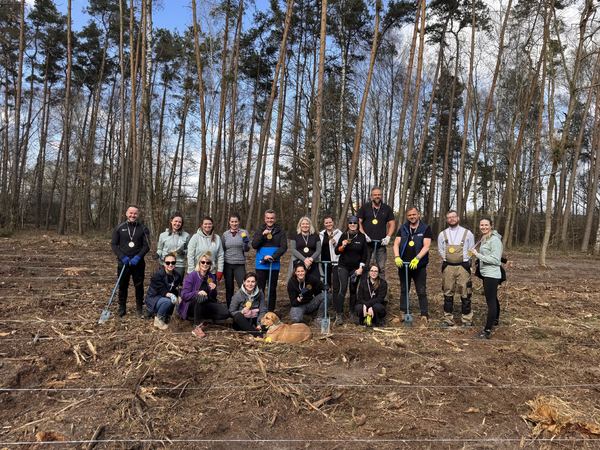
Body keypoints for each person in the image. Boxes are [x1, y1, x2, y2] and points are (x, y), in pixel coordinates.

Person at [393, 207, 432, 326]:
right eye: (410, 215)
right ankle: (403, 312)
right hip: (403, 265)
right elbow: (396, 244)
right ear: (407, 216)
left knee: (421, 290)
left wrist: (417, 258)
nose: (412, 217)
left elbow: (426, 246)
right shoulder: (403, 228)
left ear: (418, 215)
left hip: (418, 266)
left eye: (414, 214)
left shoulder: (425, 228)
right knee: (404, 289)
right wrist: (397, 257)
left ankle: (424, 314)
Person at [111, 205, 151, 317]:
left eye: (135, 213)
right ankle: (122, 307)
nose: (133, 215)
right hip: (123, 262)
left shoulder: (143, 228)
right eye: (131, 213)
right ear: (126, 213)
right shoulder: (119, 228)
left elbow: (147, 246)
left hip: (138, 263)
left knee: (139, 285)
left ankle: (139, 307)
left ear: (138, 215)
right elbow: (114, 245)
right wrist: (122, 257)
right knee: (123, 285)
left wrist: (138, 257)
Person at [437, 210, 475, 327]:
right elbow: (440, 249)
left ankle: (467, 319)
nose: (452, 219)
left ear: (458, 218)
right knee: (447, 292)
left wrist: (465, 260)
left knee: (466, 292)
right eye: (449, 217)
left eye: (453, 217)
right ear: (446, 220)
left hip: (463, 267)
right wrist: (447, 258)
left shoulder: (468, 233)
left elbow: (471, 249)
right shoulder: (442, 234)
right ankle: (448, 319)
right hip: (448, 267)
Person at [180, 252, 230, 338]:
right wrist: (197, 292)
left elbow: (213, 297)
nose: (205, 264)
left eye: (208, 263)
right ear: (199, 263)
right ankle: (197, 326)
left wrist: (213, 290)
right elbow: (184, 295)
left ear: (210, 265)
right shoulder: (192, 276)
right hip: (191, 305)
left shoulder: (211, 277)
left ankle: (203, 319)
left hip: (206, 304)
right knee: (201, 297)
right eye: (203, 262)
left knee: (225, 313)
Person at [470, 217, 504, 339]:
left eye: (486, 225)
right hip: (486, 273)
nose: (483, 227)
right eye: (482, 225)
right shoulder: (485, 238)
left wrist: (477, 255)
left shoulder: (494, 240)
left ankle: (487, 330)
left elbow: (495, 260)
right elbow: (493, 254)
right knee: (493, 298)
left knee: (491, 301)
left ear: (491, 226)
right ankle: (495, 320)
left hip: (492, 274)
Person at [334, 215, 368, 325]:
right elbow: (336, 251)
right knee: (342, 289)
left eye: (354, 223)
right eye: (350, 223)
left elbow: (365, 254)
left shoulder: (362, 237)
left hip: (355, 268)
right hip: (343, 266)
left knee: (353, 290)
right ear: (348, 224)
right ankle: (339, 314)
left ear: (358, 224)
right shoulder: (344, 235)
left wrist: (361, 268)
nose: (352, 224)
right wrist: (343, 246)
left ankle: (352, 313)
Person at [251, 209, 288, 312]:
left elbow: (284, 247)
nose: (270, 220)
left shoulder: (280, 231)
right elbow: (254, 245)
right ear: (265, 218)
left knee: (272, 289)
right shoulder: (260, 230)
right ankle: (260, 310)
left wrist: (273, 256)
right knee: (260, 288)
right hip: (261, 264)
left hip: (274, 264)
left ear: (275, 219)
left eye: (272, 218)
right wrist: (262, 235)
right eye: (268, 218)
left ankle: (270, 311)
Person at [357, 187, 396, 279]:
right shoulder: (365, 207)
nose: (377, 196)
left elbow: (392, 223)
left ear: (381, 196)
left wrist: (388, 237)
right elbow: (358, 222)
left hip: (381, 244)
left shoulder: (387, 208)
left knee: (381, 268)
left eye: (379, 194)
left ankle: (381, 286)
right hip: (366, 243)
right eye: (375, 195)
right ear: (371, 196)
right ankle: (364, 285)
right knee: (365, 266)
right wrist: (363, 235)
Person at [144, 253, 183, 330]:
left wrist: (180, 296)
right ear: (164, 264)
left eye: (173, 263)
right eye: (168, 263)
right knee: (168, 301)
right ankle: (159, 320)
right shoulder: (158, 275)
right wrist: (172, 296)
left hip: (165, 297)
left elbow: (178, 288)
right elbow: (162, 291)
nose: (170, 265)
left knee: (178, 300)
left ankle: (169, 316)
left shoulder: (177, 275)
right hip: (154, 298)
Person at [222, 214, 251, 307]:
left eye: (236, 221)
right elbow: (223, 249)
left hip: (239, 264)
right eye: (232, 221)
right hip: (227, 264)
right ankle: (230, 307)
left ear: (239, 222)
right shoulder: (225, 234)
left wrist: (245, 243)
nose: (234, 223)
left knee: (243, 286)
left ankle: (244, 306)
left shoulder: (244, 232)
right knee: (229, 287)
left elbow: (247, 249)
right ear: (229, 222)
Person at [229, 271, 267, 337]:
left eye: (253, 282)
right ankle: (256, 333)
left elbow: (263, 310)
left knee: (270, 315)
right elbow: (231, 311)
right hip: (243, 321)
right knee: (238, 316)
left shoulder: (260, 293)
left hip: (255, 319)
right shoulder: (238, 295)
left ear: (256, 283)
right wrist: (242, 311)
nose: (250, 284)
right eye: (248, 281)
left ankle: (257, 330)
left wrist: (259, 323)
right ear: (244, 282)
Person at [319, 216, 342, 318]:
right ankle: (326, 304)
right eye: (326, 223)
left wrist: (335, 243)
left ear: (333, 223)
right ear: (324, 224)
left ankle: (336, 305)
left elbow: (342, 247)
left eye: (330, 222)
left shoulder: (339, 233)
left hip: (335, 261)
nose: (328, 224)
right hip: (324, 261)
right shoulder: (321, 234)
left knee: (336, 284)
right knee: (326, 282)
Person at [187, 216, 224, 281]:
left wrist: (220, 270)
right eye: (205, 224)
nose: (207, 225)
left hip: (211, 272)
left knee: (211, 287)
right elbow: (190, 255)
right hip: (197, 271)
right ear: (202, 225)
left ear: (212, 225)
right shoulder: (195, 237)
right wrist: (191, 271)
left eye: (209, 224)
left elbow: (220, 255)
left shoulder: (217, 238)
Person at [156, 212, 190, 276]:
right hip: (165, 263)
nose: (177, 223)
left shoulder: (186, 235)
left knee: (177, 282)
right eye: (175, 221)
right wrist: (157, 254)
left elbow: (189, 250)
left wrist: (183, 252)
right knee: (163, 281)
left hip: (179, 264)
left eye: (179, 222)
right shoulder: (163, 235)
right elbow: (160, 249)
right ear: (171, 221)